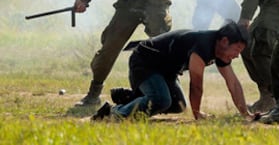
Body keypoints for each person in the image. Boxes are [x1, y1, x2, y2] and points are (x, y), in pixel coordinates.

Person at [91, 21, 258, 121]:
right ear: (224, 41)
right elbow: (196, 85)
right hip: (144, 63)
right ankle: (113, 113)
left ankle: (132, 99)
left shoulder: (221, 51)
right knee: (161, 100)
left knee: (178, 106)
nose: (237, 56)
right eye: (236, 49)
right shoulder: (203, 45)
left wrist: (246, 114)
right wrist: (197, 113)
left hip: (166, 71)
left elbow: (233, 84)